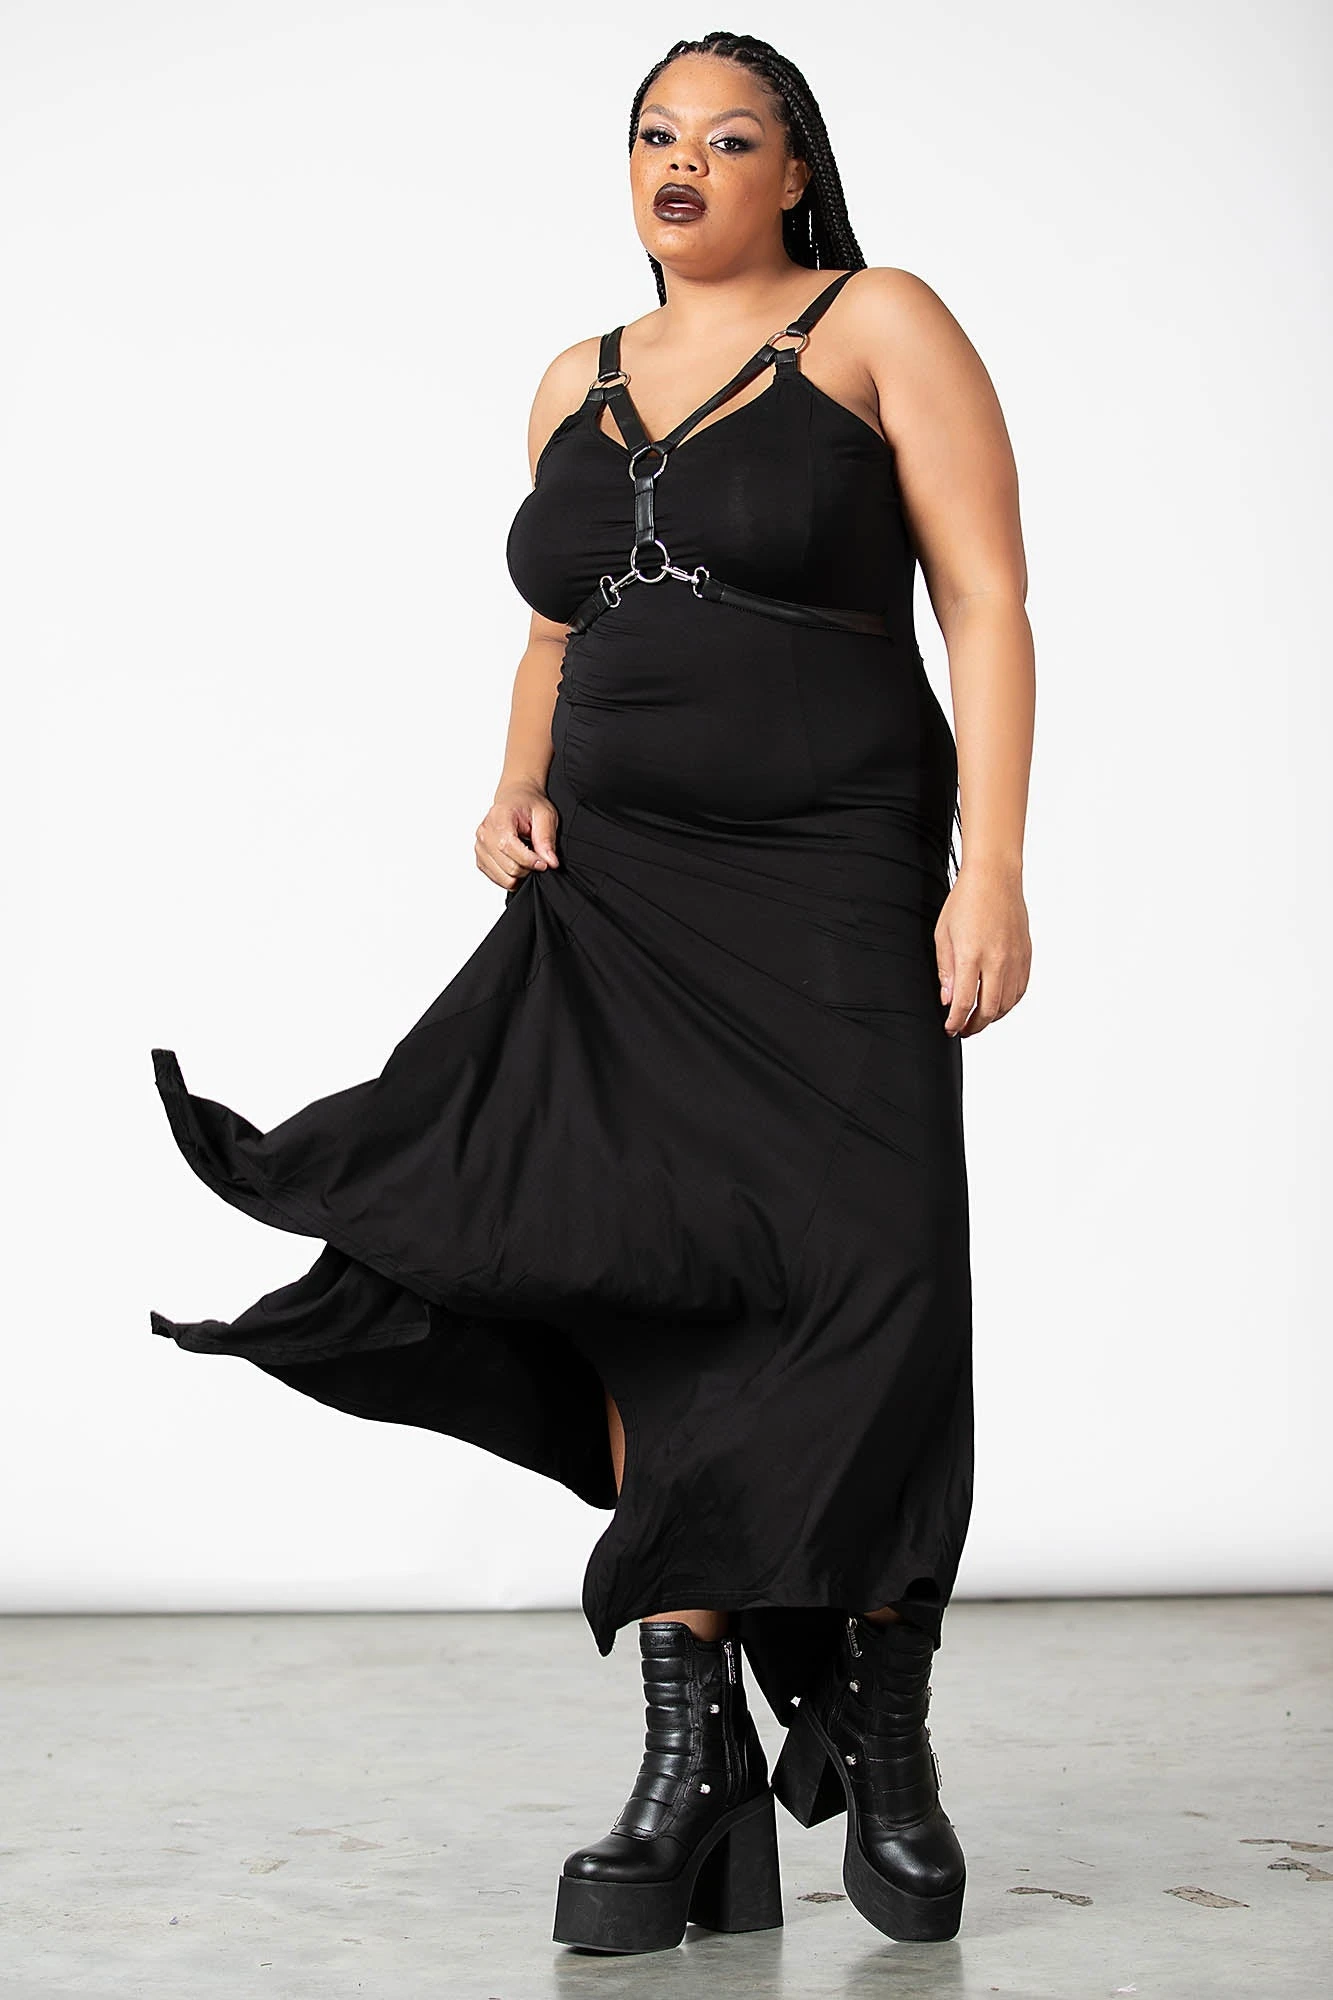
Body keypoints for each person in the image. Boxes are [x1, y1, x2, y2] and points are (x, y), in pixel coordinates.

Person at [149, 27, 1034, 1960]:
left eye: (730, 135)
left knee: (877, 1268)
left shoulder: (880, 322)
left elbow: (983, 600)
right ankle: (688, 1753)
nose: (683, 161)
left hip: (834, 873)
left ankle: (883, 1726)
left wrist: (994, 869)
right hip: (620, 896)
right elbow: (555, 623)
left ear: (796, 171)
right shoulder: (577, 377)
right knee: (638, 1270)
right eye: (655, 135)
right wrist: (511, 780)